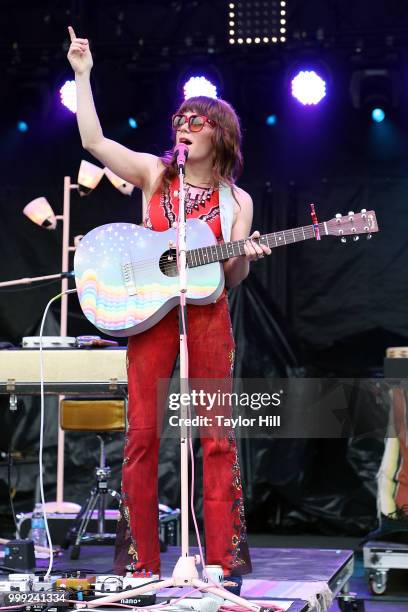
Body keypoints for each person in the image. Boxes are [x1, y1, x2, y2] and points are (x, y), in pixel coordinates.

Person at [67, 26, 271, 580]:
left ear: (221, 134)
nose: (183, 125)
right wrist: (83, 76)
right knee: (141, 435)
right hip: (150, 314)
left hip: (208, 315)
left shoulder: (237, 201)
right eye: (179, 119)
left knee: (217, 437)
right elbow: (94, 142)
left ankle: (223, 560)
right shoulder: (156, 176)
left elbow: (233, 276)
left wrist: (246, 254)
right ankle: (141, 565)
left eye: (196, 120)